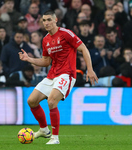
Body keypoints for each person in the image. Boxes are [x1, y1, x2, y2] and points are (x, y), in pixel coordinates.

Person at [18, 10, 98, 144]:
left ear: (56, 20)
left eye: (49, 19)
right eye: (44, 20)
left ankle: (55, 138)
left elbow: (83, 48)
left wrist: (90, 69)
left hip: (67, 74)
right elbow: (45, 61)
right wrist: (29, 59)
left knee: (51, 101)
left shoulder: (66, 34)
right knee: (31, 101)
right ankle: (44, 130)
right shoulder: (45, 40)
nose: (46, 23)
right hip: (52, 75)